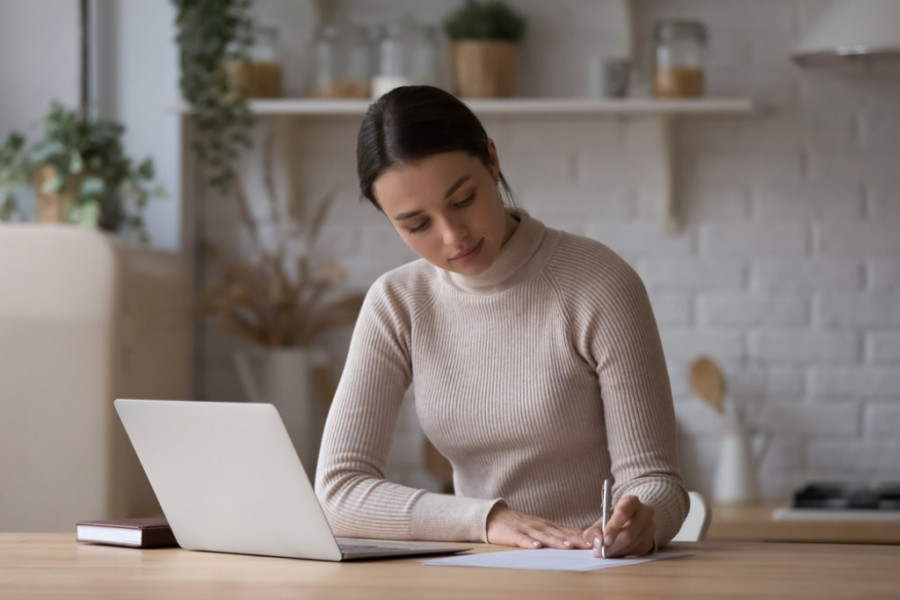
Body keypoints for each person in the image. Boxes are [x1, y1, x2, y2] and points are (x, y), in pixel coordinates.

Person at [314, 85, 687, 558]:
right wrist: (487, 519)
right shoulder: (397, 302)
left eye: (463, 199)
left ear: (492, 159)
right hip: (478, 568)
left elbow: (658, 482)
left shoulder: (599, 283)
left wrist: (644, 520)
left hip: (596, 569)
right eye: (417, 225)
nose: (453, 236)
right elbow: (338, 493)